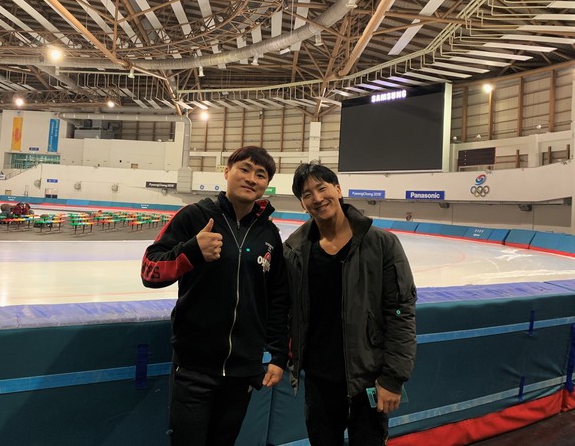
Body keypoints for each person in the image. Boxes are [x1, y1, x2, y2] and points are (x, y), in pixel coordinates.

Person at [141, 146, 289, 446]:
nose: (251, 178)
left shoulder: (269, 234)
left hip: (243, 371)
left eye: (260, 174)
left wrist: (277, 354)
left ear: (266, 184)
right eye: (244, 169)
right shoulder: (195, 216)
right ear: (227, 171)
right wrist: (192, 251)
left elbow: (277, 297)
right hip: (194, 368)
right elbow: (150, 271)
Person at [284, 162, 417, 446]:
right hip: (319, 379)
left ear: (338, 189)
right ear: (302, 204)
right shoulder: (295, 251)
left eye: (322, 188)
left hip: (368, 377)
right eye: (307, 194)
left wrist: (393, 378)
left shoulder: (382, 244)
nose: (317, 198)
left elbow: (400, 311)